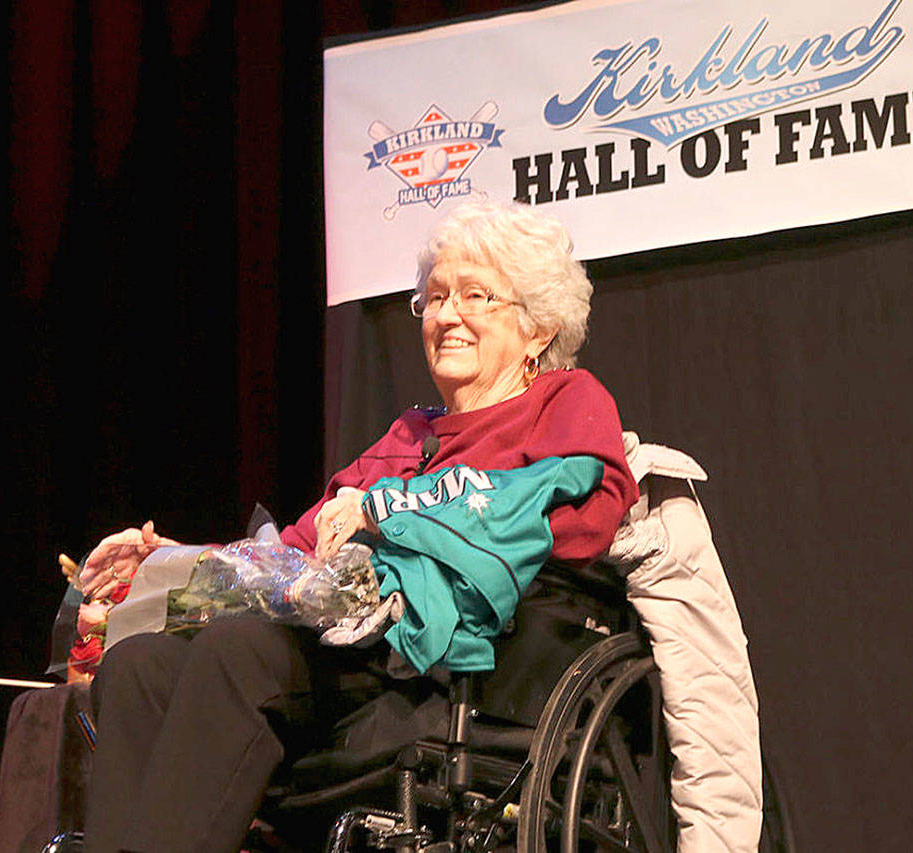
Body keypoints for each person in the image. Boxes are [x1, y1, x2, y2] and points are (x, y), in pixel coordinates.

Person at [77, 201, 638, 852]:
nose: (446, 315)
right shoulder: (407, 435)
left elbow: (589, 515)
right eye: (433, 298)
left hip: (457, 663)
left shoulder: (561, 403)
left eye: (475, 295)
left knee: (239, 652)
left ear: (537, 328)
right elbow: (292, 555)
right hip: (348, 655)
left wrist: (393, 511)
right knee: (139, 662)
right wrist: (166, 559)